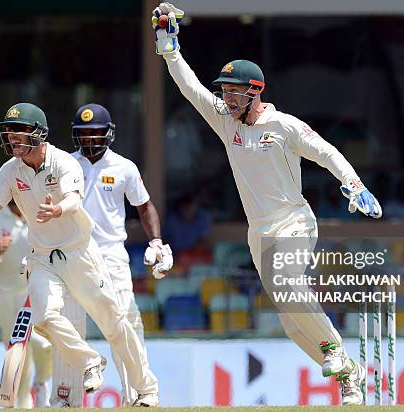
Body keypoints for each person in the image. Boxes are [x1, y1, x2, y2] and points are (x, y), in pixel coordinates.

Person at [151, 3, 382, 405]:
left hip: (294, 221)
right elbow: (189, 87)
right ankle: (349, 375)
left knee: (291, 285)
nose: (225, 98)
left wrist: (354, 184)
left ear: (254, 91)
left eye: (233, 92)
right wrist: (169, 45)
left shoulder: (284, 125)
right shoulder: (225, 121)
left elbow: (326, 152)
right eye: (223, 91)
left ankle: (337, 355)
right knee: (291, 321)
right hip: (259, 232)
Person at [0, 102, 159, 407]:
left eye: (18, 131)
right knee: (44, 318)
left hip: (80, 253)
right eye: (8, 132)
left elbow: (75, 199)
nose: (11, 138)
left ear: (38, 133)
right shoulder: (10, 171)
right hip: (42, 257)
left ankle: (146, 388)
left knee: (114, 324)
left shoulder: (64, 162)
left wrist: (58, 208)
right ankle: (90, 361)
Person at [55, 103, 171, 407]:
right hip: (73, 254)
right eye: (84, 133)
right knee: (70, 324)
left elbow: (144, 206)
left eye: (96, 133)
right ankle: (66, 401)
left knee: (125, 322)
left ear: (108, 134)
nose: (90, 139)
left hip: (111, 256)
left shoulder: (124, 167)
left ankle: (137, 395)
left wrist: (156, 241)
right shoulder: (65, 164)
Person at [0, 199, 52, 408]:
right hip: (6, 295)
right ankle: (21, 403)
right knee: (16, 354)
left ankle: (42, 383)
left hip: (34, 291)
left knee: (42, 345)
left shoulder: (39, 212)